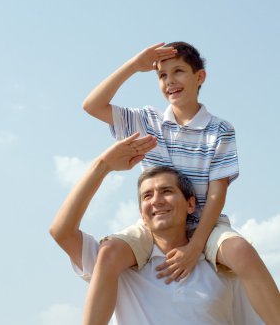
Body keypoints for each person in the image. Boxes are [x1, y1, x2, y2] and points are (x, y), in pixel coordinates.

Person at [82, 41, 280, 325]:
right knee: (109, 252)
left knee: (242, 251)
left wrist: (196, 246)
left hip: (204, 224)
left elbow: (216, 193)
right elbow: (92, 105)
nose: (170, 81)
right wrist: (134, 66)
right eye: (162, 75)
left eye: (178, 71)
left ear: (199, 77)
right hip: (156, 224)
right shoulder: (147, 122)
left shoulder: (220, 130)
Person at [50, 134, 262, 325]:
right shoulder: (119, 266)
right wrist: (103, 165)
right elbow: (62, 232)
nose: (156, 201)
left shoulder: (222, 269)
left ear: (190, 204)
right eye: (147, 196)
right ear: (142, 214)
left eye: (166, 191)